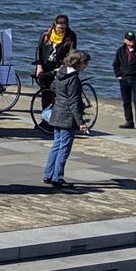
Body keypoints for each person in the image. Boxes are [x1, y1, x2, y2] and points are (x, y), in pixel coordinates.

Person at [44, 50, 93, 189]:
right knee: (64, 148)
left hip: (57, 112)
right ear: (79, 63)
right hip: (67, 116)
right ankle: (57, 177)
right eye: (85, 63)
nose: (86, 66)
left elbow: (53, 87)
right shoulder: (73, 79)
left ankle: (48, 174)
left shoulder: (61, 73)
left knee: (56, 145)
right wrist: (81, 123)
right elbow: (74, 102)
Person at [115, 31, 136, 131]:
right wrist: (118, 75)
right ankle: (129, 122)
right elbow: (116, 64)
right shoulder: (120, 50)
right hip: (124, 79)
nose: (132, 41)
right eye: (130, 40)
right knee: (126, 102)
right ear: (125, 40)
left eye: (133, 39)